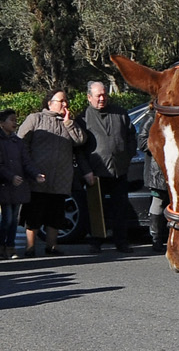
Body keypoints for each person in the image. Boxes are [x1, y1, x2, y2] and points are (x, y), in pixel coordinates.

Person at [17, 90, 90, 257]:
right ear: (50, 103)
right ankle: (30, 247)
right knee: (33, 214)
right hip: (37, 176)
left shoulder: (68, 122)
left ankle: (52, 246)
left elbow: (80, 140)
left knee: (56, 214)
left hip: (61, 178)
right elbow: (21, 142)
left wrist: (68, 123)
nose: (65, 104)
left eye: (66, 101)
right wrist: (29, 168)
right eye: (61, 101)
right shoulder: (35, 119)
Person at [80, 81, 137, 252]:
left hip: (119, 168)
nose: (102, 98)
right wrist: (87, 171)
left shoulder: (120, 113)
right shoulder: (83, 118)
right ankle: (96, 241)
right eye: (98, 95)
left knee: (120, 207)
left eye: (104, 94)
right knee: (97, 208)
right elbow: (79, 150)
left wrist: (127, 156)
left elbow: (131, 137)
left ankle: (121, 241)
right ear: (89, 97)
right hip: (95, 172)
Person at [0, 109, 44, 259]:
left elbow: (26, 162)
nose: (15, 122)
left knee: (14, 219)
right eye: (11, 120)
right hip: (5, 186)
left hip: (18, 186)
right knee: (7, 219)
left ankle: (10, 247)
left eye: (15, 119)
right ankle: (2, 245)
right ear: (1, 123)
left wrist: (36, 174)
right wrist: (10, 176)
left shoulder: (18, 142)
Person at [137, 107, 169, 253]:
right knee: (159, 202)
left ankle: (172, 238)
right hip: (157, 170)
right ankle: (156, 239)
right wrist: (161, 144)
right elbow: (142, 142)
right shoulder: (151, 118)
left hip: (176, 168)